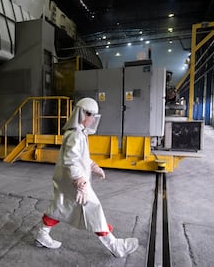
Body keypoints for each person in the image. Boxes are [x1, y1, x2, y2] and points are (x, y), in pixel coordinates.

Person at [34, 97, 138, 258]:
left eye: (94, 115)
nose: (92, 119)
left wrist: (94, 166)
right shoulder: (75, 135)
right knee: (94, 209)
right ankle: (116, 246)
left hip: (68, 182)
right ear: (81, 113)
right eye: (90, 114)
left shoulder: (79, 133)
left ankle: (42, 234)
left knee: (60, 206)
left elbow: (80, 158)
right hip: (74, 183)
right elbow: (71, 160)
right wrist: (80, 182)